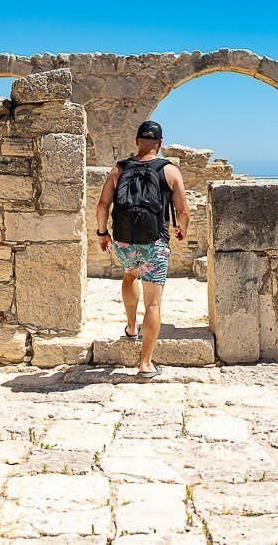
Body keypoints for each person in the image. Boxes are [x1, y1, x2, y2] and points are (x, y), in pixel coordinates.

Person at [95, 120, 190, 378]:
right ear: (160, 144)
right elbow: (182, 210)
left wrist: (103, 233)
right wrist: (182, 229)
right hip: (155, 242)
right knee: (153, 303)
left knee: (130, 275)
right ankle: (145, 364)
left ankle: (130, 327)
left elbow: (103, 205)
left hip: (125, 241)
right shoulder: (169, 171)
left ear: (137, 141)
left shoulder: (119, 169)